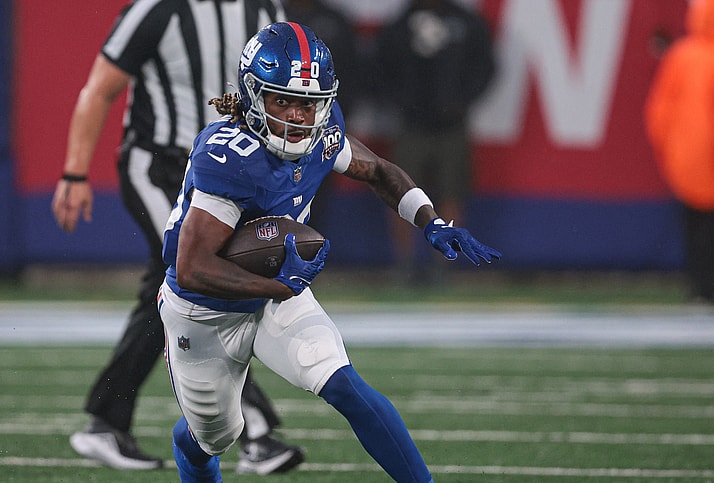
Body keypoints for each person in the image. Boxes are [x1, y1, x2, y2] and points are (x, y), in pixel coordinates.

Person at [159, 22, 501, 482]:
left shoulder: (322, 132)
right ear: (254, 94)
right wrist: (278, 284)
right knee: (212, 438)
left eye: (309, 103)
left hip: (276, 286)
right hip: (203, 312)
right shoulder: (229, 155)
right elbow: (193, 267)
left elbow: (378, 171)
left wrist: (431, 222)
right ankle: (192, 443)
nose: (299, 116)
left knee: (344, 384)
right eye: (284, 100)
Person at [50, 0, 306, 474]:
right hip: (159, 165)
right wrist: (74, 172)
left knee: (164, 292)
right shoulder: (158, 8)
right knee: (190, 276)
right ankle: (257, 431)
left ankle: (106, 422)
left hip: (232, 173)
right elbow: (101, 87)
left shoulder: (267, 8)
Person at [374, 0, 495, 284]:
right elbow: (380, 67)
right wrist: (401, 102)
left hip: (450, 125)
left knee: (452, 193)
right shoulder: (400, 24)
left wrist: (461, 101)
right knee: (398, 192)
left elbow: (485, 66)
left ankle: (444, 263)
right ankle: (405, 263)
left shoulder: (466, 22)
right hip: (411, 125)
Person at [645, 0, 714, 304]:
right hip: (699, 155)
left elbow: (659, 112)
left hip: (687, 157)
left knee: (695, 226)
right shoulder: (687, 55)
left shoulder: (682, 55)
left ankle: (699, 287)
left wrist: (669, 150)